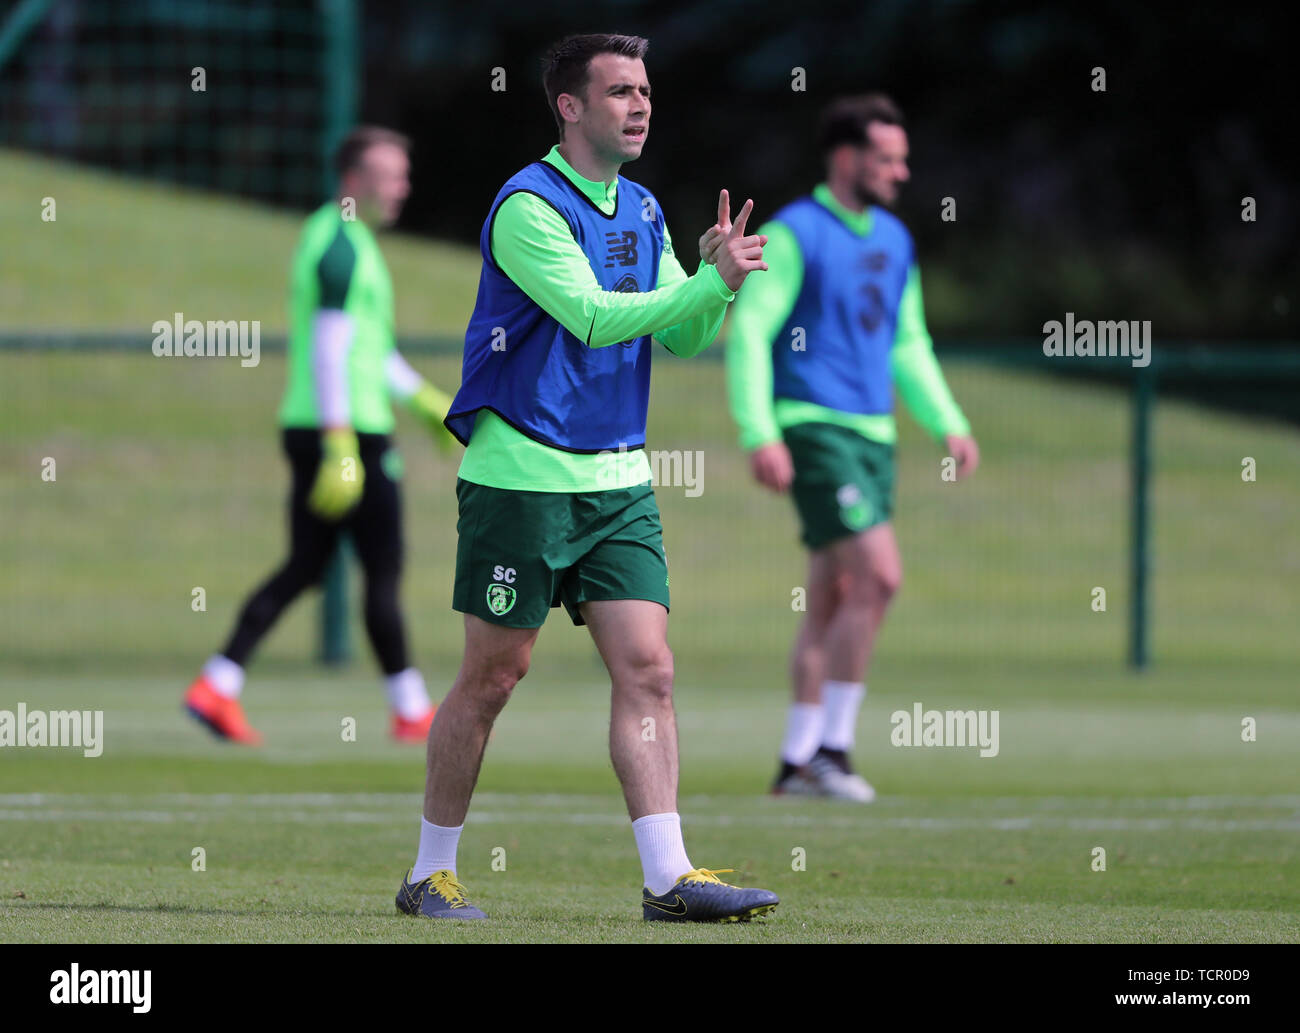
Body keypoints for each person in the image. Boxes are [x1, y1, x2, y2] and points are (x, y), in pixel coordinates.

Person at [395, 33, 778, 922]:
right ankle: (429, 873)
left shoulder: (642, 208)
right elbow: (599, 319)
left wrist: (720, 284)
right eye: (619, 91)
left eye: (645, 90)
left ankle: (668, 877)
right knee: (494, 676)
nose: (640, 105)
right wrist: (705, 283)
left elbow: (679, 337)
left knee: (649, 668)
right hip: (521, 475)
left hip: (619, 482)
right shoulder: (528, 206)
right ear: (569, 107)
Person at [726, 94, 979, 801]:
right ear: (846, 157)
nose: (900, 172)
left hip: (874, 435)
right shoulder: (795, 232)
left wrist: (948, 420)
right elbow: (751, 330)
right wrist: (760, 430)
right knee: (882, 575)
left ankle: (794, 760)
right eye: (886, 158)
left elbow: (908, 341)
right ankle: (833, 749)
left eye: (903, 159)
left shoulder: (895, 240)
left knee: (834, 595)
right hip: (815, 427)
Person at [184, 126, 456, 746]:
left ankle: (216, 686)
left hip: (326, 426)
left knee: (307, 565)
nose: (402, 187)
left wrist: (424, 402)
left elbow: (367, 349)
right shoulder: (340, 244)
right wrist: (341, 446)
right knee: (382, 566)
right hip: (347, 433)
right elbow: (332, 349)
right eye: (391, 175)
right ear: (354, 181)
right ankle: (411, 710)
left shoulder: (345, 238)